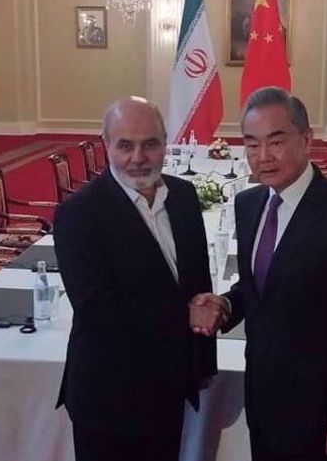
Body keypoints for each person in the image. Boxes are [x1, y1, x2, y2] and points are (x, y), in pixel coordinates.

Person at [191, 87, 327, 461]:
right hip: (263, 393)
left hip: (319, 406)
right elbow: (258, 286)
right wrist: (226, 305)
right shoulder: (249, 204)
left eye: (276, 141)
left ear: (307, 139)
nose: (263, 157)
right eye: (251, 144)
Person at [54, 96, 217, 461]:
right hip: (109, 396)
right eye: (125, 145)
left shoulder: (184, 196)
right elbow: (97, 308)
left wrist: (202, 361)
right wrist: (185, 316)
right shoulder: (79, 214)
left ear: (165, 144)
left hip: (169, 385)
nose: (138, 157)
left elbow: (197, 282)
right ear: (106, 145)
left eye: (150, 144)